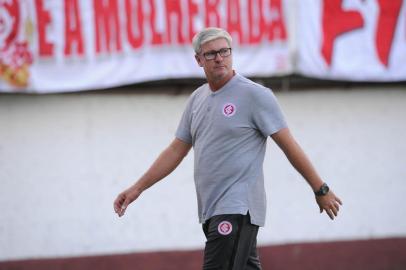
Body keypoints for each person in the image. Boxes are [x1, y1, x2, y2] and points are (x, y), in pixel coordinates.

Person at [113, 27, 343, 270]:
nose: (219, 58)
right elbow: (175, 150)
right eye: (211, 54)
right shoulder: (196, 100)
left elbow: (289, 146)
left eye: (224, 51)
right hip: (211, 211)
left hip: (237, 209)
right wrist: (137, 188)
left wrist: (320, 188)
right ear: (198, 60)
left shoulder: (255, 95)